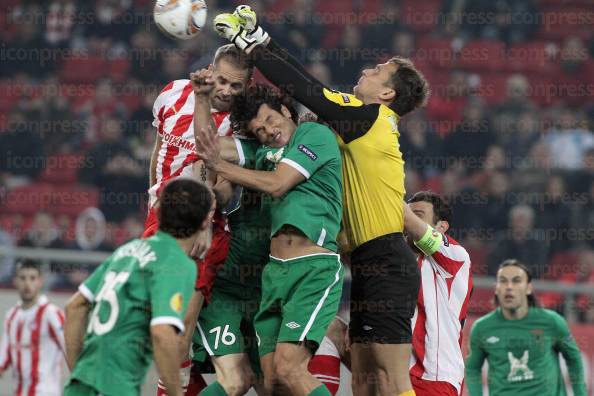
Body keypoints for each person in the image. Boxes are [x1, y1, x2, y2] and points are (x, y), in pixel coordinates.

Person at [214, 6, 429, 396]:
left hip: (386, 259)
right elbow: (306, 86)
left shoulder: (371, 117)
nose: (366, 71)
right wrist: (262, 39)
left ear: (387, 93)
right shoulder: (362, 123)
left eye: (377, 71)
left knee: (391, 377)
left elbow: (308, 90)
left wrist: (248, 45)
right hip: (364, 261)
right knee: (364, 377)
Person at [196, 83, 344, 396]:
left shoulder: (313, 135)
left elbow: (278, 185)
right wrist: (202, 100)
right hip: (273, 273)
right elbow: (209, 146)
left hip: (312, 266)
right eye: (260, 130)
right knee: (272, 382)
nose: (269, 130)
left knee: (290, 368)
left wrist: (219, 166)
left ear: (287, 111)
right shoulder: (263, 153)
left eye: (271, 120)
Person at [144, 44, 252, 395]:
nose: (227, 91)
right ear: (210, 70)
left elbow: (224, 192)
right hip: (160, 221)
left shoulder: (242, 126)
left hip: (206, 232)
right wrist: (151, 201)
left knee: (181, 328)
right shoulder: (171, 94)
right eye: (222, 81)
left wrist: (205, 220)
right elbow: (160, 150)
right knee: (161, 326)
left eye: (236, 86)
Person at [63, 179, 214, 396]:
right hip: (117, 386)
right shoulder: (178, 264)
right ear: (204, 224)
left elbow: (75, 306)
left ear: (159, 211)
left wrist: (79, 372)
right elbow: (162, 333)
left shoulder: (129, 249)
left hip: (79, 385)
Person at [466, 259, 587, 395]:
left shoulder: (551, 321)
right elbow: (472, 368)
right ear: (496, 288)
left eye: (516, 281)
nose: (509, 287)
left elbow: (574, 358)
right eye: (503, 281)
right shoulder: (482, 328)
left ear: (529, 288)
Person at [403, 192, 472, 395]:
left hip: (434, 376)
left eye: (418, 215)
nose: (405, 221)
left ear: (441, 227)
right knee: (334, 330)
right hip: (397, 371)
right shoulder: (396, 260)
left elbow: (405, 217)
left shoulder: (456, 256)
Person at [0, 260, 65, 396]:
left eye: (32, 278)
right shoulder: (11, 316)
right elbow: (3, 358)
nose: (27, 284)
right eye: (22, 278)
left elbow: (71, 349)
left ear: (40, 281)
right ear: (15, 281)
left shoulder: (51, 314)